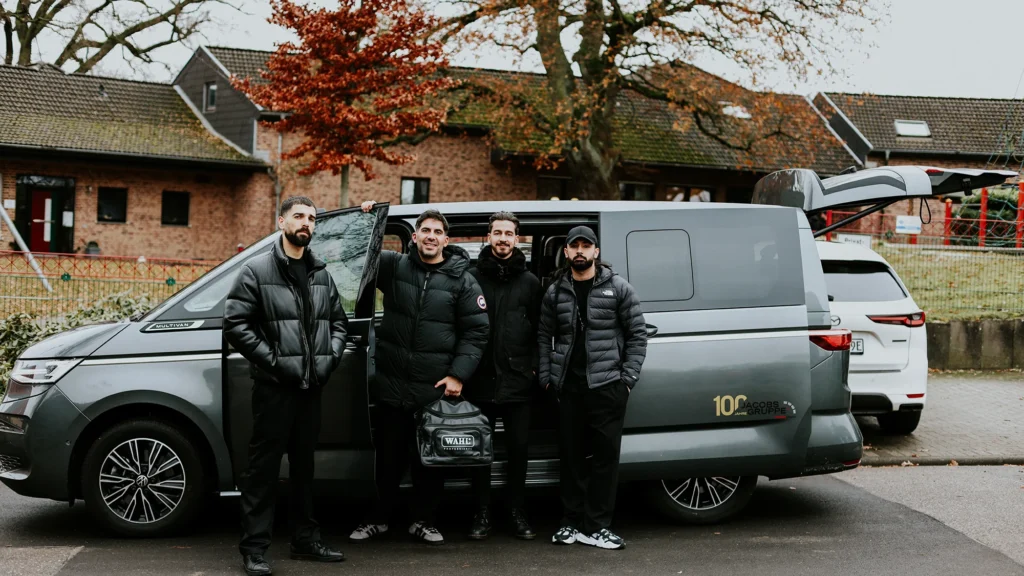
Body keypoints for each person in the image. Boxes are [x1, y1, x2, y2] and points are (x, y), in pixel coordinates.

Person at [348, 201, 489, 546]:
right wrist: (366, 219)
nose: (431, 236)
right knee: (388, 462)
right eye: (425, 230)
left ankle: (423, 521)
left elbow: (477, 332)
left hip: (432, 388)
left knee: (429, 462)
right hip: (392, 385)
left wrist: (458, 375)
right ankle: (378, 520)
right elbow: (353, 256)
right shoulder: (394, 267)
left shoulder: (463, 282)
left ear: (446, 240)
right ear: (414, 237)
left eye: (437, 232)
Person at [224, 196, 349, 576]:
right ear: (281, 222)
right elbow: (235, 325)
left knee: (305, 469)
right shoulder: (256, 270)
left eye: (311, 218)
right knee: (262, 470)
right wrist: (275, 362)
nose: (306, 223)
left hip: (311, 390)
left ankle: (305, 540)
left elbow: (339, 324)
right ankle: (255, 549)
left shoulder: (321, 273)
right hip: (274, 389)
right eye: (299, 216)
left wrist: (328, 360)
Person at [538, 225, 647, 551]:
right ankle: (570, 523)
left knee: (604, 459)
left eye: (587, 245)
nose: (581, 251)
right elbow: (543, 337)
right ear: (567, 252)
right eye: (575, 246)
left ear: (596, 251)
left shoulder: (618, 288)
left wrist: (626, 381)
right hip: (569, 388)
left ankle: (597, 527)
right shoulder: (556, 291)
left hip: (607, 387)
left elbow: (638, 335)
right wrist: (547, 378)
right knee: (570, 458)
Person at [465, 211, 542, 541]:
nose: (502, 239)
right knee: (480, 452)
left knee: (518, 450)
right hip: (479, 381)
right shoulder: (470, 278)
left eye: (508, 233)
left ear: (517, 238)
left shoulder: (531, 283)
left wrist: (535, 369)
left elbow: (543, 330)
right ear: (489, 236)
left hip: (518, 383)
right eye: (497, 232)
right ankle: (481, 512)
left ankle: (516, 511)